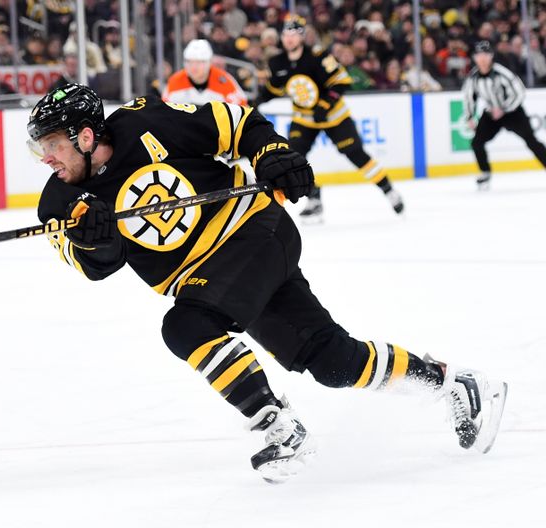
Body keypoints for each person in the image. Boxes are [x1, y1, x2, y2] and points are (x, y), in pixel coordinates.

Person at [26, 83, 508, 483]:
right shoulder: (59, 203)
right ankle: (453, 384)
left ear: (86, 135)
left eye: (51, 145)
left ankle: (278, 427)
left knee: (186, 328)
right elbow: (95, 267)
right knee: (335, 363)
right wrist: (96, 240)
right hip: (210, 278)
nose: (45, 158)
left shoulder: (150, 122)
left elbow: (238, 125)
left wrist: (273, 151)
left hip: (254, 232)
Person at [259, 14, 404, 222]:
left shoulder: (318, 57)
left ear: (302, 36)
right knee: (292, 158)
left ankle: (388, 189)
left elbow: (341, 82)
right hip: (305, 118)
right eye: (286, 33)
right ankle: (314, 198)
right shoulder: (277, 62)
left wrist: (325, 105)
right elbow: (274, 88)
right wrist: (257, 100)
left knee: (354, 153)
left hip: (334, 117)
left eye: (294, 33)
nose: (289, 38)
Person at [462, 40, 546, 189]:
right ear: (474, 57)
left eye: (485, 54)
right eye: (479, 55)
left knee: (531, 141)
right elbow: (469, 97)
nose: (482, 58)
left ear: (491, 56)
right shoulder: (473, 77)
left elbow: (519, 92)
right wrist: (469, 117)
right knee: (476, 142)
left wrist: (504, 108)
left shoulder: (502, 72)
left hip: (513, 112)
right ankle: (485, 173)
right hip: (491, 115)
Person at [162, 39, 247, 106]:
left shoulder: (224, 81)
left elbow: (241, 108)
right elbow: (164, 110)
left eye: (199, 62)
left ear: (209, 62)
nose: (193, 67)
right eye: (189, 62)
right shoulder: (175, 81)